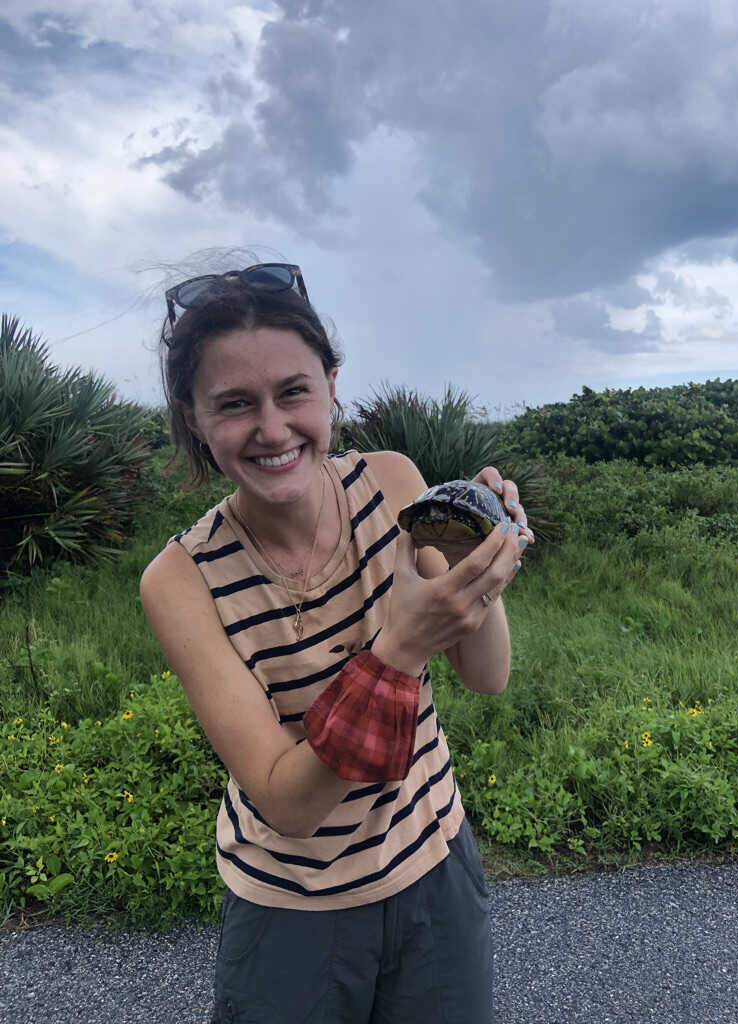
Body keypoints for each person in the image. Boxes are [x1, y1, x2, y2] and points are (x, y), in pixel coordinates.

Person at [140, 262, 533, 1023]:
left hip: (434, 867)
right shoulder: (179, 581)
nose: (272, 428)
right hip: (292, 908)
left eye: (294, 392)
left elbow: (488, 675)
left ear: (331, 385)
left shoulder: (392, 483)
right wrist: (397, 652)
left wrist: (480, 561)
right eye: (233, 404)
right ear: (194, 418)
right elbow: (288, 802)